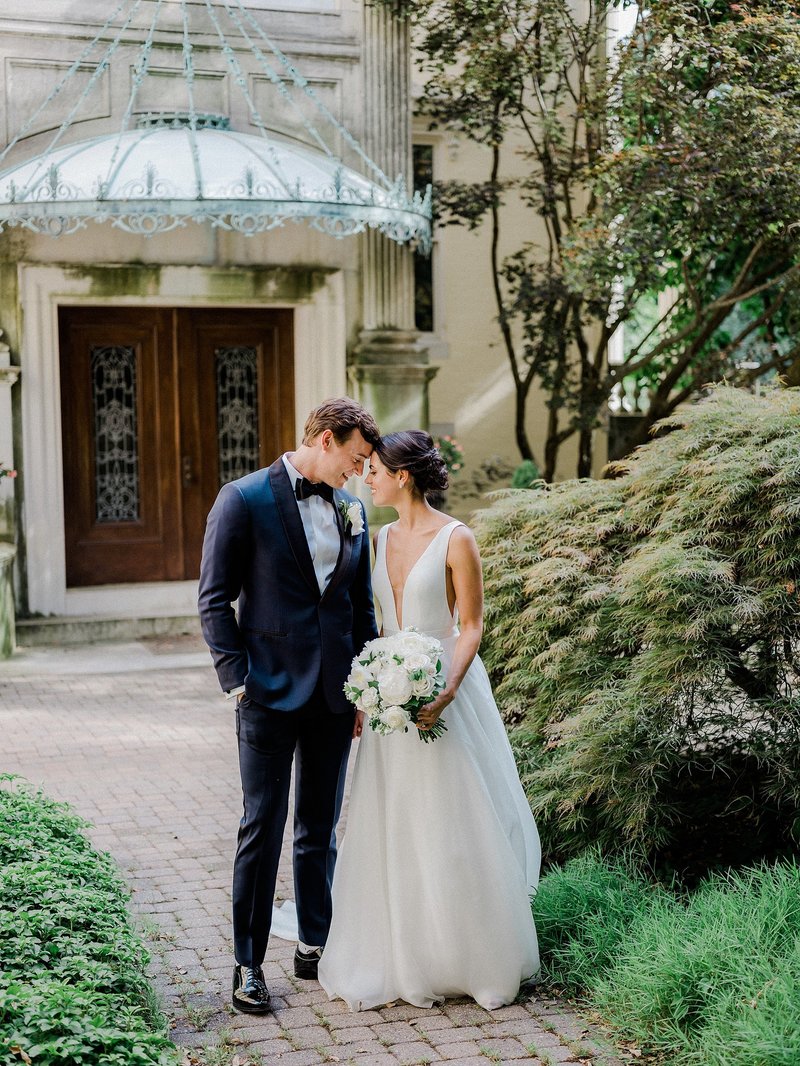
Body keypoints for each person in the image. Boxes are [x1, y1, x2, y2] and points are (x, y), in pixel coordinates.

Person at [318, 430, 541, 1012]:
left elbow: (471, 626)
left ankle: (467, 954)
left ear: (404, 476)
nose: (367, 476)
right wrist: (370, 691)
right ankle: (401, 948)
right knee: (395, 820)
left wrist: (443, 692)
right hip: (390, 701)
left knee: (451, 819)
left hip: (442, 692)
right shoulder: (379, 535)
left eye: (376, 469)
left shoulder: (456, 538)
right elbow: (372, 620)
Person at [198, 397, 380, 1014]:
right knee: (262, 827)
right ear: (325, 440)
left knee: (319, 828)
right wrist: (238, 680)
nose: (359, 473)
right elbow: (214, 599)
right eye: (355, 458)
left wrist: (366, 684)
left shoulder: (353, 509)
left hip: (334, 694)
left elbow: (360, 609)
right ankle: (248, 963)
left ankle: (314, 943)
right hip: (266, 694)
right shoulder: (243, 499)